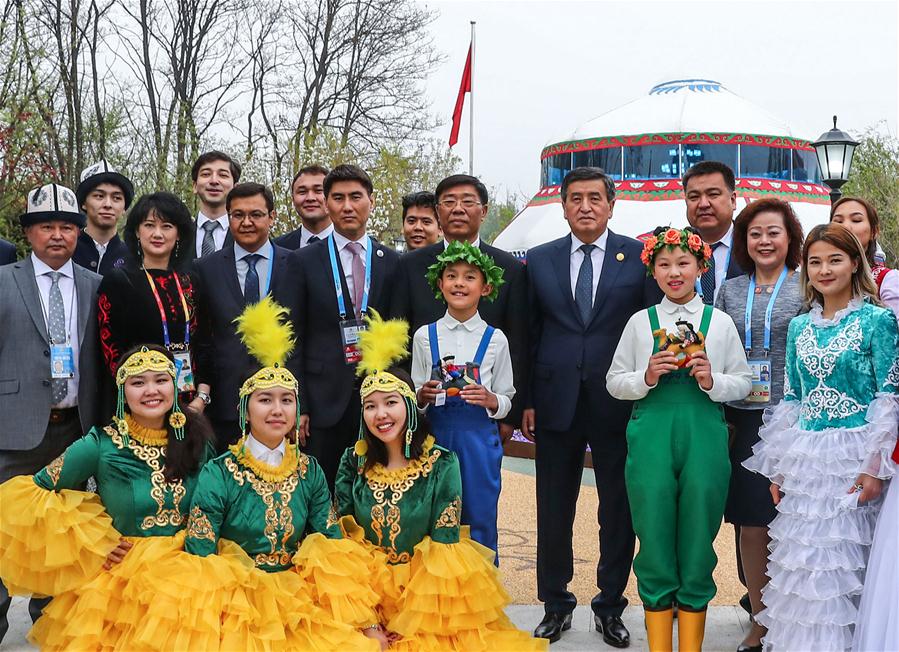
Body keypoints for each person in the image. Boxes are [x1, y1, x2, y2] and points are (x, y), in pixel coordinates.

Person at [334, 311, 547, 651]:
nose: (382, 415)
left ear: (408, 406)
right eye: (370, 406)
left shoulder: (441, 465)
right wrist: (370, 623)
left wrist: (410, 621)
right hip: (364, 603)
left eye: (391, 403)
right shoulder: (352, 463)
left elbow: (443, 551)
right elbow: (342, 551)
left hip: (426, 607)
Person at [176, 297, 381, 650]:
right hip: (234, 607)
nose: (277, 410)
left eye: (287, 400)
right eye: (265, 399)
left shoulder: (309, 470)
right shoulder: (220, 472)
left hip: (296, 600)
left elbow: (330, 541)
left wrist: (366, 620)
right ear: (245, 408)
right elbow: (200, 554)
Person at [744, 223, 899, 651]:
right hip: (807, 462)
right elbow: (791, 398)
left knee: (848, 564)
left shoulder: (878, 321)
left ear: (855, 263)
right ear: (805, 270)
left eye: (835, 259)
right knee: (805, 565)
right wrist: (777, 467)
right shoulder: (798, 327)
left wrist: (874, 466)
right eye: (815, 262)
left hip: (854, 457)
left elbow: (889, 395)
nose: (825, 269)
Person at [523, 167, 661, 647]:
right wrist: (526, 401)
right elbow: (528, 333)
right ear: (562, 205)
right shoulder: (539, 260)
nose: (585, 206)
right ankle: (555, 603)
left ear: (611, 204)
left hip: (618, 401)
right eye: (575, 198)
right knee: (553, 507)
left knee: (617, 508)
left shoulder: (640, 258)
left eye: (594, 198)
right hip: (554, 400)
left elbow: (649, 328)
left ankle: (609, 605)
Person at [0, 345, 215, 650]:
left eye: (160, 380)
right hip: (124, 588)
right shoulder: (100, 445)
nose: (151, 391)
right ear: (121, 391)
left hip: (191, 575)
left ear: (174, 385)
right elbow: (31, 494)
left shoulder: (197, 440)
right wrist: (92, 542)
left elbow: (213, 505)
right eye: (138, 383)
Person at [607, 226, 752, 651]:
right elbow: (614, 381)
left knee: (697, 539)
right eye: (664, 264)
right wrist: (646, 375)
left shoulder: (719, 323)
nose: (674, 272)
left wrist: (713, 380)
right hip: (650, 430)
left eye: (683, 263)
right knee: (652, 535)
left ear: (700, 268)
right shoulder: (640, 323)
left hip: (704, 433)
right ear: (652, 270)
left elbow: (744, 383)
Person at [0, 183, 103, 642]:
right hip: (13, 431)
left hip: (75, 432)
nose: (57, 235)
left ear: (79, 233)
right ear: (29, 233)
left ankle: (53, 632)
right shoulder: (4, 281)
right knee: (5, 536)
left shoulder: (96, 285)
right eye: (47, 226)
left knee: (63, 540)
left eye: (67, 226)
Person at [714, 198, 805, 652]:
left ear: (790, 238)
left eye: (773, 232)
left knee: (796, 522)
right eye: (755, 233)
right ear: (744, 242)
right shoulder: (729, 290)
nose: (764, 240)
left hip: (796, 417)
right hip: (744, 420)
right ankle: (761, 619)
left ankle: (800, 616)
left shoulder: (809, 283)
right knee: (752, 524)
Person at [388, 174, 527, 445]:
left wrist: (510, 415)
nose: (458, 209)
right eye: (449, 202)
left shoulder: (508, 268)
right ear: (438, 211)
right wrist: (405, 403)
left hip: (481, 420)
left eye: (468, 201)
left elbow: (518, 343)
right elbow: (398, 342)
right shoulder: (409, 266)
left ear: (484, 211)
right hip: (423, 416)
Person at [290, 164, 400, 489]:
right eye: (338, 198)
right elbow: (294, 338)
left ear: (372, 201)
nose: (347, 206)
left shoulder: (392, 262)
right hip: (322, 403)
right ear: (327, 204)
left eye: (356, 197)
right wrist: (301, 406)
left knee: (374, 490)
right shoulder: (304, 260)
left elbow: (399, 332)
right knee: (321, 492)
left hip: (378, 400)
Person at [411, 240, 512, 557]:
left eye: (470, 276)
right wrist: (422, 396)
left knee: (479, 518)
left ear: (485, 287)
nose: (459, 283)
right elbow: (413, 396)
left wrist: (491, 399)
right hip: (435, 439)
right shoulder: (425, 336)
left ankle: (481, 597)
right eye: (451, 276)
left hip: (479, 441)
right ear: (440, 285)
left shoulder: (495, 339)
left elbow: (508, 397)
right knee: (432, 517)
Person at [194, 182, 294, 450]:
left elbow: (304, 336)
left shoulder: (296, 265)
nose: (246, 222)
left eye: (256, 214)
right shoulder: (206, 269)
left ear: (272, 217)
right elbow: (202, 338)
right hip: (225, 406)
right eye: (237, 215)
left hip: (281, 406)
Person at [96, 192, 211, 415]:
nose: (157, 234)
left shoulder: (191, 282)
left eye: (167, 226)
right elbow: (111, 352)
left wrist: (201, 398)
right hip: (139, 406)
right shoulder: (119, 281)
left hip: (190, 407)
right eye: (149, 225)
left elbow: (204, 342)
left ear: (179, 234)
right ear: (138, 231)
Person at [683, 161, 745, 305]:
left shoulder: (752, 247)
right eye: (694, 197)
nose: (703, 204)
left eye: (713, 194)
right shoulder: (673, 249)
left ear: (733, 200)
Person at [830, 196, 899, 317]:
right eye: (838, 221)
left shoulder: (887, 280)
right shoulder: (819, 276)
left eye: (856, 220)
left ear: (874, 231)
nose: (845, 227)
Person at [73, 160, 133, 274]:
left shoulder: (133, 258)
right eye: (99, 196)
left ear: (124, 207)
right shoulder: (67, 251)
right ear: (84, 204)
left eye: (116, 198)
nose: (108, 205)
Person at [191, 150, 239, 258]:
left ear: (235, 188)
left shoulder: (246, 237)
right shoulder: (179, 235)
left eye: (222, 175)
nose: (214, 181)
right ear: (194, 186)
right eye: (206, 174)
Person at [274, 164, 334, 250]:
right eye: (302, 192)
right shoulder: (276, 248)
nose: (310, 198)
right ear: (293, 199)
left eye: (318, 191)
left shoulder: (351, 245)